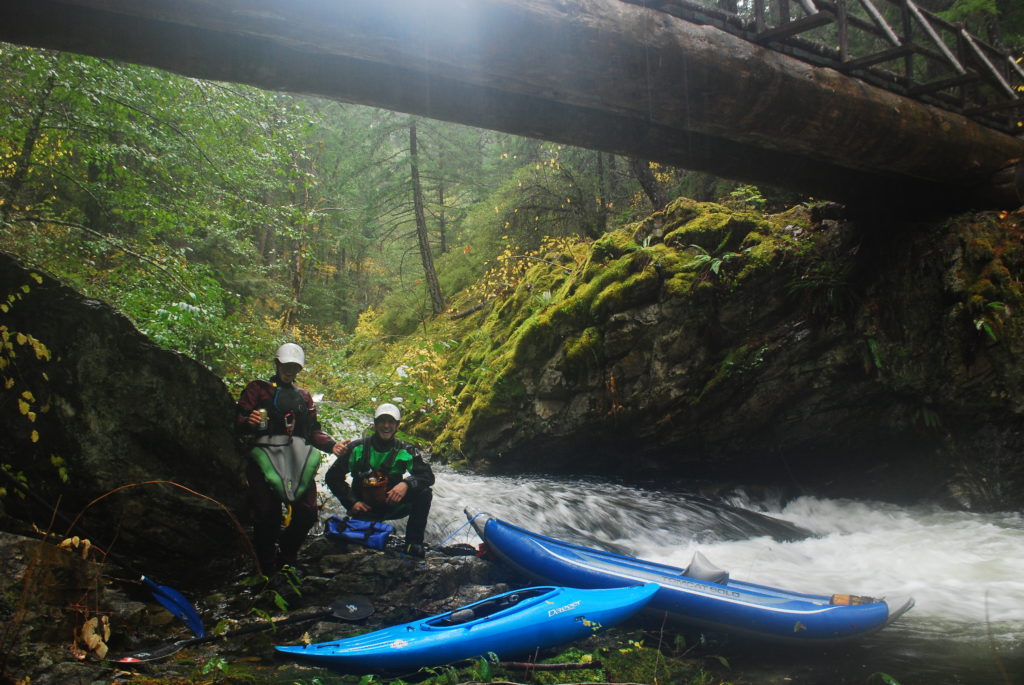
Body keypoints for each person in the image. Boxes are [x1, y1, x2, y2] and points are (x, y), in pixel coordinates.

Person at [236, 342, 346, 575]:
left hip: (295, 458)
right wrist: (248, 422)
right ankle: (265, 564)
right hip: (263, 456)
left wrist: (332, 445)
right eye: (287, 365)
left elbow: (313, 431)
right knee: (267, 512)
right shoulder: (258, 389)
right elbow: (237, 421)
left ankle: (287, 554)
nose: (290, 370)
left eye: (295, 367)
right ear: (277, 364)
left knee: (307, 511)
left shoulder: (304, 397)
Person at [325, 403, 434, 557]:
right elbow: (332, 477)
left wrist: (406, 484)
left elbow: (427, 476)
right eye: (382, 421)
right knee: (361, 547)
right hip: (365, 508)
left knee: (424, 493)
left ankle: (413, 544)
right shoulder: (357, 448)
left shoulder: (407, 450)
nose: (386, 426)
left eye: (391, 422)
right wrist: (352, 502)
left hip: (394, 504)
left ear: (397, 426)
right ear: (375, 424)